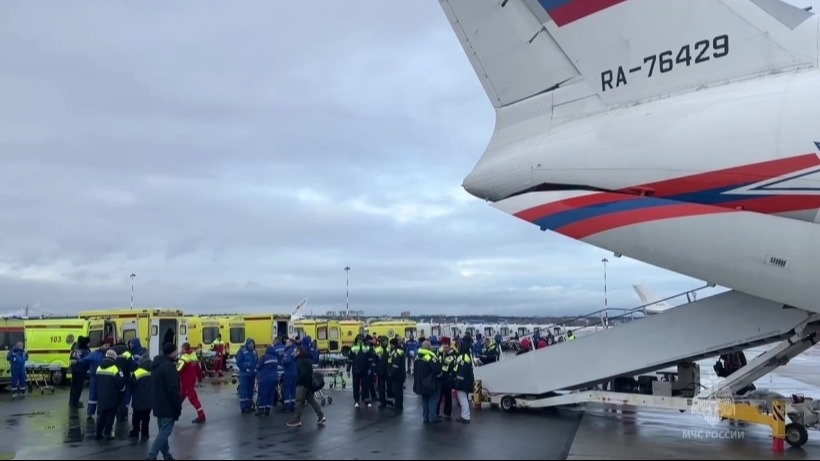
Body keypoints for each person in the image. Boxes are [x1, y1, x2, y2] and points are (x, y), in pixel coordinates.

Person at [148, 343, 182, 461]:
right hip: (168, 405)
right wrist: (177, 406)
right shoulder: (169, 367)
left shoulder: (156, 365)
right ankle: (152, 455)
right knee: (164, 433)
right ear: (171, 353)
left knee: (163, 432)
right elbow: (173, 389)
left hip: (158, 404)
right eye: (175, 352)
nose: (177, 354)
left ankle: (167, 455)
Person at [286, 346, 327, 427]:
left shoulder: (299, 361)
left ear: (298, 352)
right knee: (312, 400)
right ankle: (321, 416)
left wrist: (297, 381)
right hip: (309, 384)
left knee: (298, 401)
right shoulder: (307, 360)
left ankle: (296, 420)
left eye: (295, 352)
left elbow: (302, 373)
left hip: (302, 384)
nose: (293, 354)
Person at [95, 349, 126, 440]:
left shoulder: (99, 367)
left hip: (101, 395)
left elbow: (96, 380)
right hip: (113, 395)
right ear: (114, 357)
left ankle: (98, 433)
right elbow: (120, 382)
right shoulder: (115, 368)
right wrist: (122, 390)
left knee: (102, 415)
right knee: (111, 415)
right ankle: (107, 432)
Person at [78, 341, 110, 419]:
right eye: (106, 345)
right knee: (93, 396)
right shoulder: (94, 354)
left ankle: (100, 412)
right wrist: (77, 361)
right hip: (94, 378)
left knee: (102, 396)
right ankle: (90, 413)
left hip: (104, 378)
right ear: (101, 346)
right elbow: (84, 360)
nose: (107, 347)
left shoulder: (108, 355)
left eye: (108, 346)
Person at [413, 340, 442, 423]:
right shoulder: (430, 356)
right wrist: (440, 377)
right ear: (429, 347)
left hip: (420, 383)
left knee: (425, 400)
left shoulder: (418, 356)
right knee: (433, 399)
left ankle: (426, 417)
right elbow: (437, 370)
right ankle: (432, 417)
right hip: (431, 382)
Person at [177, 342, 206, 423]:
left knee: (193, 399)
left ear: (184, 349)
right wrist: (200, 378)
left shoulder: (184, 358)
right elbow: (198, 369)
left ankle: (201, 416)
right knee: (180, 398)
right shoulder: (194, 357)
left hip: (186, 383)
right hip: (191, 381)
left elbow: (178, 369)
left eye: (181, 348)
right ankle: (175, 413)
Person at [349, 334, 375, 408]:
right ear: (356, 340)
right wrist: (348, 369)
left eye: (361, 339)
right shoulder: (353, 348)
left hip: (365, 370)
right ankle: (356, 401)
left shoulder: (367, 348)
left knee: (365, 386)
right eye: (358, 339)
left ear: (363, 340)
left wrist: (370, 368)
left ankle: (367, 400)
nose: (360, 341)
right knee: (356, 386)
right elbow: (350, 359)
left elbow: (370, 359)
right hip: (356, 370)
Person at [111, 339, 134, 423]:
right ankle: (122, 414)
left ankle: (116, 414)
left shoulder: (111, 351)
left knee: (116, 396)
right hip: (125, 378)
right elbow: (133, 365)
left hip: (114, 376)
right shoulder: (127, 352)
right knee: (125, 396)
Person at [129, 356, 152, 438]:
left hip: (138, 397)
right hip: (149, 398)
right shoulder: (153, 371)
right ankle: (145, 432)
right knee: (146, 417)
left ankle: (135, 431)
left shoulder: (137, 372)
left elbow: (132, 383)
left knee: (136, 417)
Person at [453, 340, 474, 424]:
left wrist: (457, 383)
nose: (458, 347)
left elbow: (461, 371)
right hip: (466, 380)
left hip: (464, 381)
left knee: (463, 399)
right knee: (463, 398)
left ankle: (465, 417)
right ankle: (464, 416)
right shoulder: (465, 356)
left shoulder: (463, 357)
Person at [234, 338, 258, 414]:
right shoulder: (242, 351)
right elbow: (238, 362)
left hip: (252, 374)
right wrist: (245, 368)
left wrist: (256, 368)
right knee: (244, 391)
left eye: (252, 344)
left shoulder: (254, 352)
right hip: (244, 374)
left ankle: (249, 405)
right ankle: (244, 407)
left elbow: (257, 361)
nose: (251, 345)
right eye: (250, 344)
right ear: (247, 344)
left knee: (250, 391)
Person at [256, 345, 279, 416]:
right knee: (270, 394)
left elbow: (258, 367)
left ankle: (261, 410)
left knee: (263, 394)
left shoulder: (264, 357)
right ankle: (267, 410)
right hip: (274, 378)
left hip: (265, 378)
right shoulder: (275, 358)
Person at [68, 336, 91, 409]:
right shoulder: (85, 351)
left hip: (74, 369)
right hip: (81, 370)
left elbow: (71, 358)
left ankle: (71, 401)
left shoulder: (75, 349)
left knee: (73, 386)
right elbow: (87, 361)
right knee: (79, 387)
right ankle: (75, 403)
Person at [436, 337, 456, 421]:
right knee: (441, 397)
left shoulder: (450, 356)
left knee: (445, 397)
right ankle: (439, 412)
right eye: (443, 347)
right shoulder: (442, 354)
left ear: (449, 347)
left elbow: (444, 369)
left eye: (446, 347)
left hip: (446, 379)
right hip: (444, 379)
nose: (444, 349)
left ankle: (446, 412)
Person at [387, 337, 406, 412]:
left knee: (397, 391)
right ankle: (398, 404)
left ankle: (398, 406)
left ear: (393, 344)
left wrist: (391, 373)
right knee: (399, 391)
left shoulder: (396, 352)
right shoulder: (399, 350)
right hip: (400, 374)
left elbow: (395, 364)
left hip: (397, 375)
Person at [374, 336, 391, 409]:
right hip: (380, 371)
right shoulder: (377, 349)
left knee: (389, 387)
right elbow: (375, 361)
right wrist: (375, 371)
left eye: (386, 341)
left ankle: (389, 400)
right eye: (384, 341)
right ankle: (382, 402)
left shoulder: (389, 349)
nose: (385, 342)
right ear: (381, 342)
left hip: (388, 371)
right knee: (381, 388)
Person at [281, 338, 297, 413]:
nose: (285, 344)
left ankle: (287, 406)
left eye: (287, 342)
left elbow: (286, 361)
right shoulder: (296, 350)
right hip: (295, 372)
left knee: (287, 390)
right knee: (293, 390)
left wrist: (282, 361)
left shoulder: (288, 351)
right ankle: (293, 405)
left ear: (290, 343)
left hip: (288, 372)